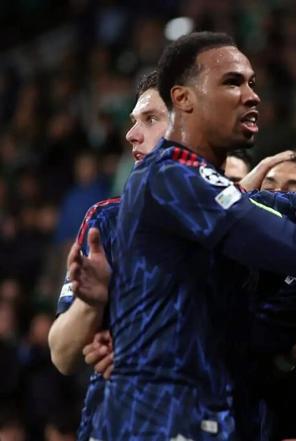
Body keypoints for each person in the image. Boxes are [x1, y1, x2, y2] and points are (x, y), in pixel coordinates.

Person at [69, 31, 296, 439]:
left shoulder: (200, 185)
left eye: (251, 82)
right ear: (183, 99)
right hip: (162, 421)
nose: (252, 95)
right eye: (232, 82)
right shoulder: (172, 178)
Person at [47, 70, 167, 440]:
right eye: (134, 120)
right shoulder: (107, 221)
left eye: (151, 119)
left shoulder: (235, 220)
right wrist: (91, 306)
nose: (131, 134)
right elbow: (62, 355)